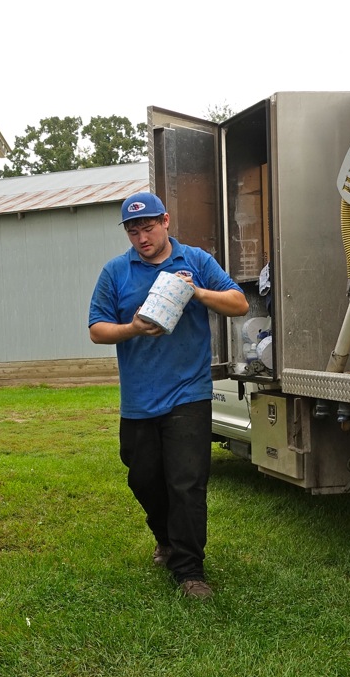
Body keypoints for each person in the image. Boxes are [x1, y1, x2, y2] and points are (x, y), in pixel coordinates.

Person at [88, 192, 249, 599]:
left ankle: (190, 570)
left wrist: (197, 293)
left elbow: (239, 303)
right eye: (133, 230)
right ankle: (165, 536)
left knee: (187, 482)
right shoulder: (116, 272)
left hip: (188, 392)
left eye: (148, 227)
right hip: (139, 398)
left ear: (166, 221)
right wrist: (133, 328)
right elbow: (96, 329)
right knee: (143, 478)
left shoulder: (195, 261)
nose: (141, 237)